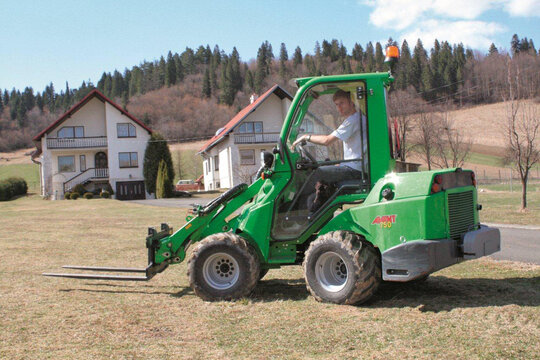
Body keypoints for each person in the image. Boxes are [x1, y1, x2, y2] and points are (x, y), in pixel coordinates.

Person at [291, 89, 368, 212]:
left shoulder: (353, 120)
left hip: (355, 170)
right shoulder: (356, 119)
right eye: (337, 105)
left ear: (352, 101)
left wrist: (306, 137)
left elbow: (327, 140)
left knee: (315, 173)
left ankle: (297, 213)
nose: (339, 108)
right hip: (354, 166)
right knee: (322, 168)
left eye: (342, 103)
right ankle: (313, 209)